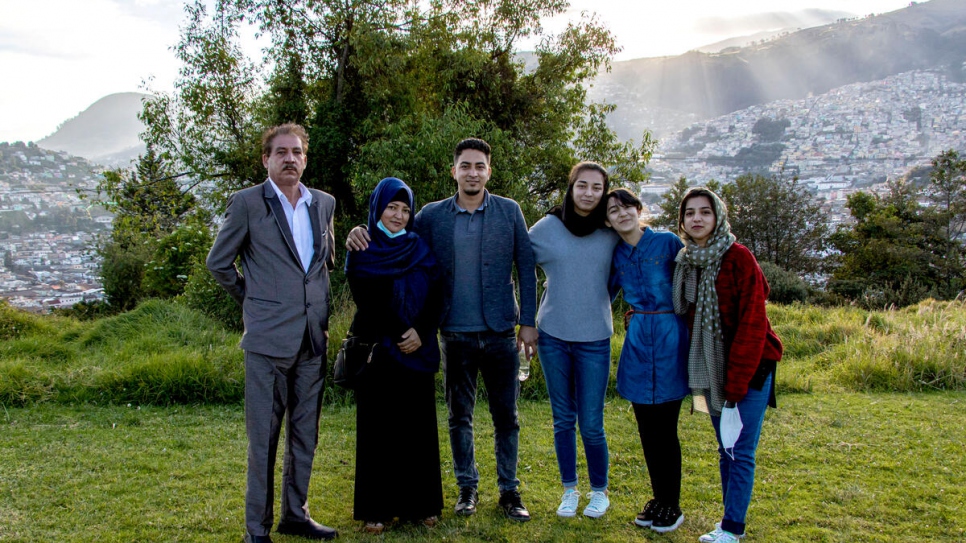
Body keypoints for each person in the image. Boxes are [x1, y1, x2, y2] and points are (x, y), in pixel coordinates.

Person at [346, 137, 538, 522]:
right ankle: (466, 488)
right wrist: (356, 230)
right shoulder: (432, 216)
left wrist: (529, 323)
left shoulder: (509, 211)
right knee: (458, 416)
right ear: (454, 171)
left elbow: (527, 267)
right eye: (465, 166)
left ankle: (509, 489)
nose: (472, 172)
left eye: (479, 166)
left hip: (501, 330)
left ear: (489, 171)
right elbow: (390, 229)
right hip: (453, 333)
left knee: (507, 416)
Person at [206, 124, 338, 542]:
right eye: (280, 152)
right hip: (266, 344)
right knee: (263, 440)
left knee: (305, 435)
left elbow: (324, 262)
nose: (290, 159)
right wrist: (253, 301)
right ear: (266, 159)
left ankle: (295, 515)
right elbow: (219, 263)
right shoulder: (247, 203)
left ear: (305, 158)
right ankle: (256, 530)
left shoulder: (324, 203)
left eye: (297, 152)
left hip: (313, 340)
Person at [671, 187, 783, 543]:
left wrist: (736, 386)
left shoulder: (738, 257)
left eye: (705, 211)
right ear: (683, 220)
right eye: (690, 213)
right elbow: (686, 315)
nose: (697, 219)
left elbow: (753, 321)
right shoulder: (688, 261)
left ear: (718, 216)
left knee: (740, 450)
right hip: (711, 368)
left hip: (750, 368)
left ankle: (733, 528)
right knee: (725, 448)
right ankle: (727, 523)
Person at [344, 177, 444, 534]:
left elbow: (437, 293)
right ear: (377, 209)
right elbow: (368, 301)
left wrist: (422, 332)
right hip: (379, 352)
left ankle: (422, 506)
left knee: (417, 429)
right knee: (379, 431)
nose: (399, 216)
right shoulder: (362, 247)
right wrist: (403, 333)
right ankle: (378, 509)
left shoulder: (419, 246)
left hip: (419, 351)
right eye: (391, 208)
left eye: (405, 209)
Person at [527, 162, 618, 519]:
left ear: (604, 191)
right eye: (582, 186)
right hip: (553, 336)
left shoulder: (611, 230)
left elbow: (636, 258)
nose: (589, 194)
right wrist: (525, 320)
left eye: (597, 188)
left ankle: (599, 492)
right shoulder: (547, 228)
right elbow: (517, 258)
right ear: (571, 187)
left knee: (592, 423)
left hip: (595, 337)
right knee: (563, 419)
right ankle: (569, 489)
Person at [604, 188, 690, 533]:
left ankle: (672, 504)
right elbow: (603, 292)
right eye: (613, 210)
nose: (621, 214)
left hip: (670, 336)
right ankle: (658, 498)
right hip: (638, 338)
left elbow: (692, 281)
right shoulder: (615, 253)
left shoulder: (668, 242)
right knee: (646, 429)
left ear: (639, 209)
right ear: (607, 220)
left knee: (666, 429)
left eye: (626, 207)